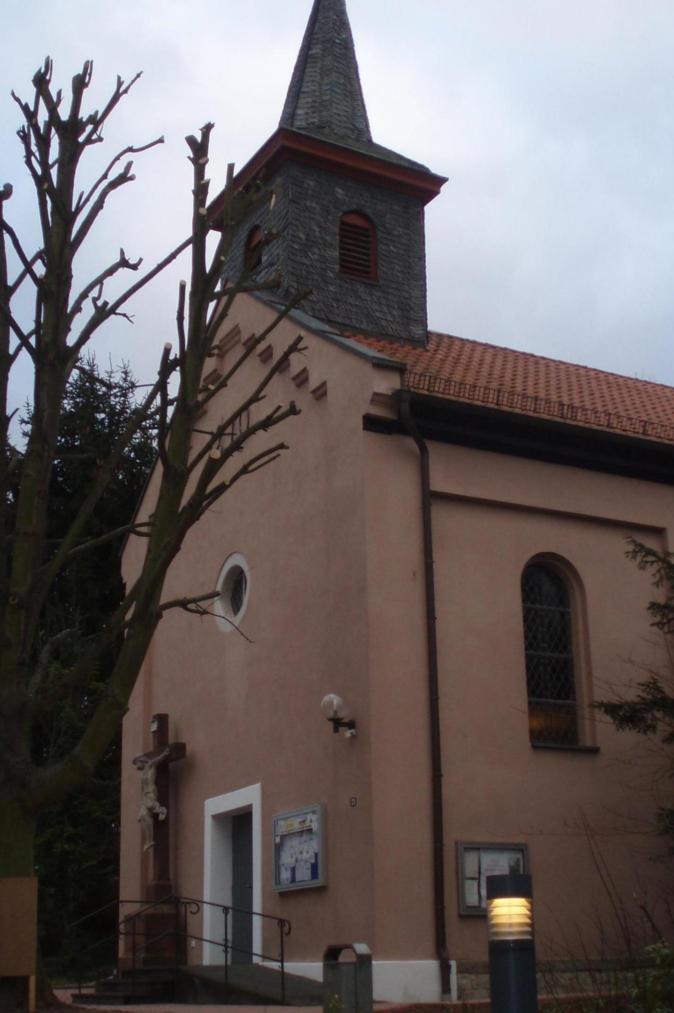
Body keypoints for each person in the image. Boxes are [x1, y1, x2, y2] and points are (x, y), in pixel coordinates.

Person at [133, 748, 170, 851]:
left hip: (151, 792)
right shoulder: (144, 771)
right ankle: (149, 840)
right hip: (145, 794)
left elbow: (157, 760)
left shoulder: (150, 765)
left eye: (136, 763)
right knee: (143, 815)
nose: (136, 767)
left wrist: (164, 754)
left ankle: (161, 810)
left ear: (141, 761)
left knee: (150, 806)